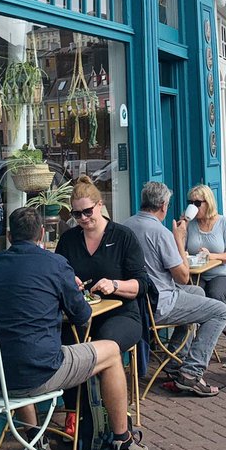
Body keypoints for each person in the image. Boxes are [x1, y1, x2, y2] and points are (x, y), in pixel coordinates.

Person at [0, 205, 150, 450]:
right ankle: (123, 445)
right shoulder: (54, 264)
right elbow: (81, 315)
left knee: (18, 349)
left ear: (9, 236)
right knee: (112, 353)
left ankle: (35, 443)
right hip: (37, 374)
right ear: (43, 234)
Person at [55, 176, 146, 436]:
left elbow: (142, 284)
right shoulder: (69, 240)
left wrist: (115, 285)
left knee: (103, 346)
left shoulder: (123, 237)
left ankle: (111, 419)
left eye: (88, 211)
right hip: (82, 316)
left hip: (122, 314)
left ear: (100, 204)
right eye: (77, 214)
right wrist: (68, 281)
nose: (83, 218)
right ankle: (78, 415)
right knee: (67, 346)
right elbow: (58, 275)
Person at [125, 181, 226, 397]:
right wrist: (179, 240)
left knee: (198, 293)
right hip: (160, 304)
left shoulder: (126, 226)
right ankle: (191, 373)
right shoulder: (160, 232)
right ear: (163, 206)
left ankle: (174, 364)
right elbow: (182, 277)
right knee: (220, 311)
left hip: (137, 302)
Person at [184, 184, 226, 304]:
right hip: (198, 274)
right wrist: (181, 231)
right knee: (191, 294)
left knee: (214, 293)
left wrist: (211, 256)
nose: (193, 207)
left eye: (197, 203)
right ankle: (192, 322)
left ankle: (219, 321)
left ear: (208, 203)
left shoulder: (224, 223)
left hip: (223, 274)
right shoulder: (190, 224)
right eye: (191, 203)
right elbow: (181, 251)